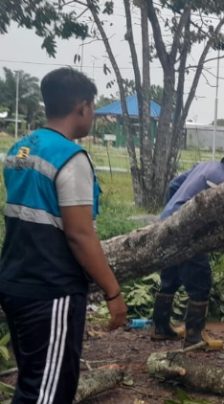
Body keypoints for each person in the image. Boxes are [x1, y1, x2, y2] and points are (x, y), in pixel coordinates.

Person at [0, 68, 127, 402]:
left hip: (16, 281)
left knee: (32, 381)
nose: (94, 116)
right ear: (82, 107)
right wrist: (113, 293)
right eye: (94, 108)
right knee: (49, 392)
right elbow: (80, 235)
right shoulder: (70, 158)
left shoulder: (21, 149)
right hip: (50, 290)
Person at [152, 147, 224, 348]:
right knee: (201, 280)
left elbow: (174, 185)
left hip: (168, 224)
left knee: (170, 276)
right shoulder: (223, 182)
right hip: (187, 232)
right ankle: (193, 337)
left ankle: (160, 328)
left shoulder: (205, 166)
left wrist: (170, 211)